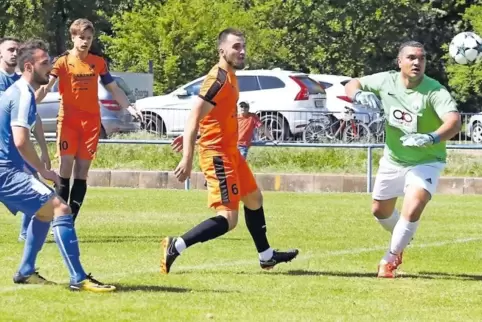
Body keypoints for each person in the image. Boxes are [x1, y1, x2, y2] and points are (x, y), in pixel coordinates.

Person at [162, 28, 299, 274]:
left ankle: (266, 256)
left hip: (231, 152)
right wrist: (187, 156)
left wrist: (195, 132)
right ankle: (176, 245)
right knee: (228, 219)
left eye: (243, 46)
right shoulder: (218, 79)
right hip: (216, 154)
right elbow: (194, 114)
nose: (242, 51)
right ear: (221, 50)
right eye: (236, 47)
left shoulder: (231, 76)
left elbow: (212, 115)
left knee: (254, 199)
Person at [0, 39, 115, 292]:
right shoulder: (21, 94)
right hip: (6, 173)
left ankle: (26, 272)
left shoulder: (21, 92)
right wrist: (42, 170)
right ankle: (78, 278)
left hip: (9, 171)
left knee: (43, 213)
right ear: (28, 66)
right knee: (61, 208)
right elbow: (20, 141)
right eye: (45, 63)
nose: (50, 66)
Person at [344, 41, 461, 278]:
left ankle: (389, 259)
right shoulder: (386, 81)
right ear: (400, 62)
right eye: (411, 58)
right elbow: (352, 83)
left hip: (426, 160)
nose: (417, 62)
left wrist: (431, 137)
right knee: (379, 210)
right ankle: (404, 233)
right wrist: (358, 94)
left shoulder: (435, 91)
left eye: (422, 58)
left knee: (415, 203)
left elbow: (454, 122)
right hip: (393, 159)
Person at [36, 18, 142, 225]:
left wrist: (128, 106)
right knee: (65, 167)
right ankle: (58, 217)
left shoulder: (98, 62)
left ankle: (69, 220)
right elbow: (46, 87)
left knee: (82, 171)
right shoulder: (62, 62)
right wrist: (29, 104)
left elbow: (114, 88)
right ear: (73, 38)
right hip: (68, 121)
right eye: (81, 38)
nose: (85, 42)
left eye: (89, 38)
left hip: (91, 123)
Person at [0, 37, 51, 242]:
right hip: (5, 156)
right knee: (43, 195)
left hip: (12, 155)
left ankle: (27, 234)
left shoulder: (20, 82)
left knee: (38, 190)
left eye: (17, 50)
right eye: (10, 49)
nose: (14, 53)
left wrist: (43, 149)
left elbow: (31, 115)